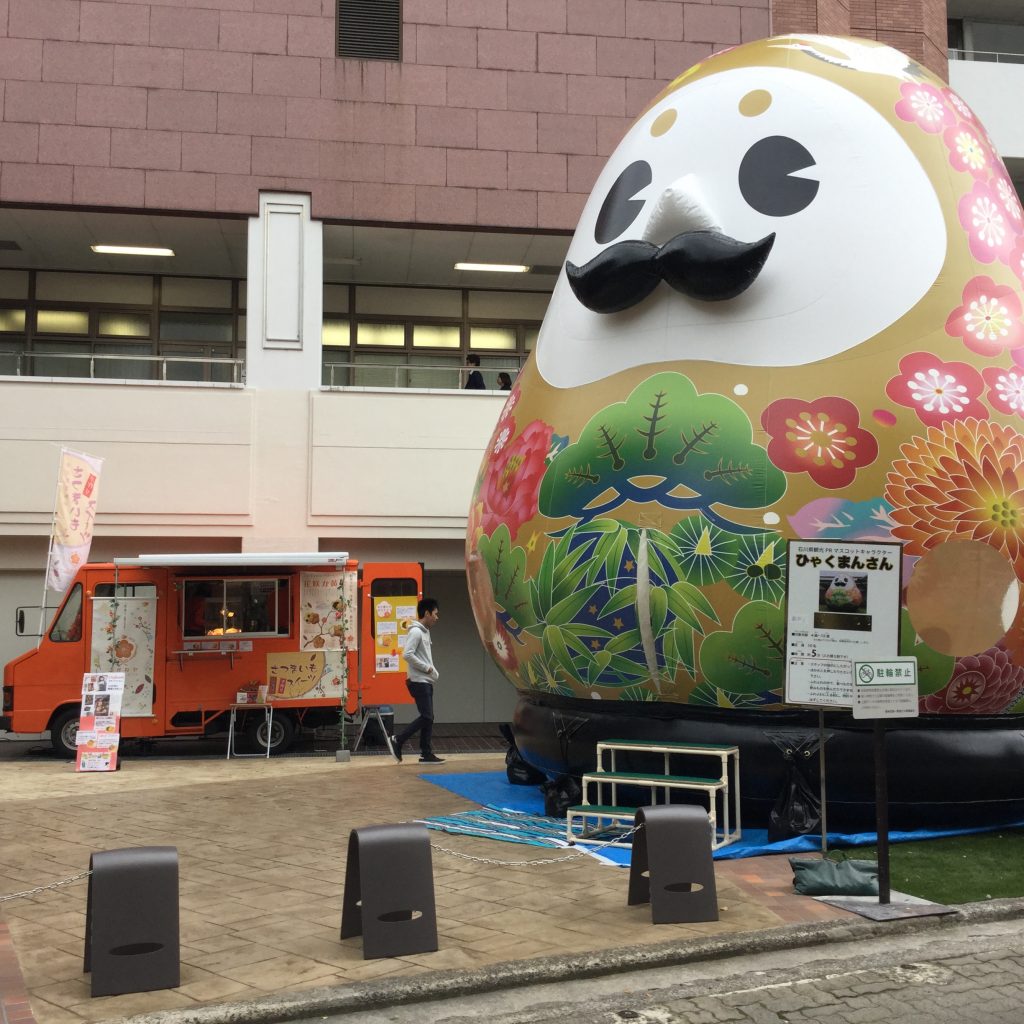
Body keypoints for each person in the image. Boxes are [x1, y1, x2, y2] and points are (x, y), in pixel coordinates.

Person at [390, 598, 445, 764]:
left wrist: (430, 672)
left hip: (425, 681)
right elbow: (407, 654)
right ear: (427, 613)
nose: (437, 617)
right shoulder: (416, 632)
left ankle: (426, 753)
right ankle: (398, 740)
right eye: (435, 614)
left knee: (429, 717)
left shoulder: (425, 631)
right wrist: (427, 668)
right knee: (427, 717)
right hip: (418, 680)